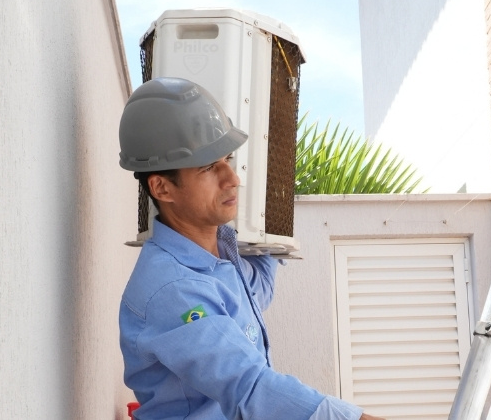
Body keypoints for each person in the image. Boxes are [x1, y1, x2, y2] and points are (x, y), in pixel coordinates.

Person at [118, 77, 384, 420]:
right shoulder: (174, 289)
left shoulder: (221, 254)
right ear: (162, 188)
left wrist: (269, 234)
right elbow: (249, 388)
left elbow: (255, 294)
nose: (232, 178)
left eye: (227, 159)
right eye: (208, 167)